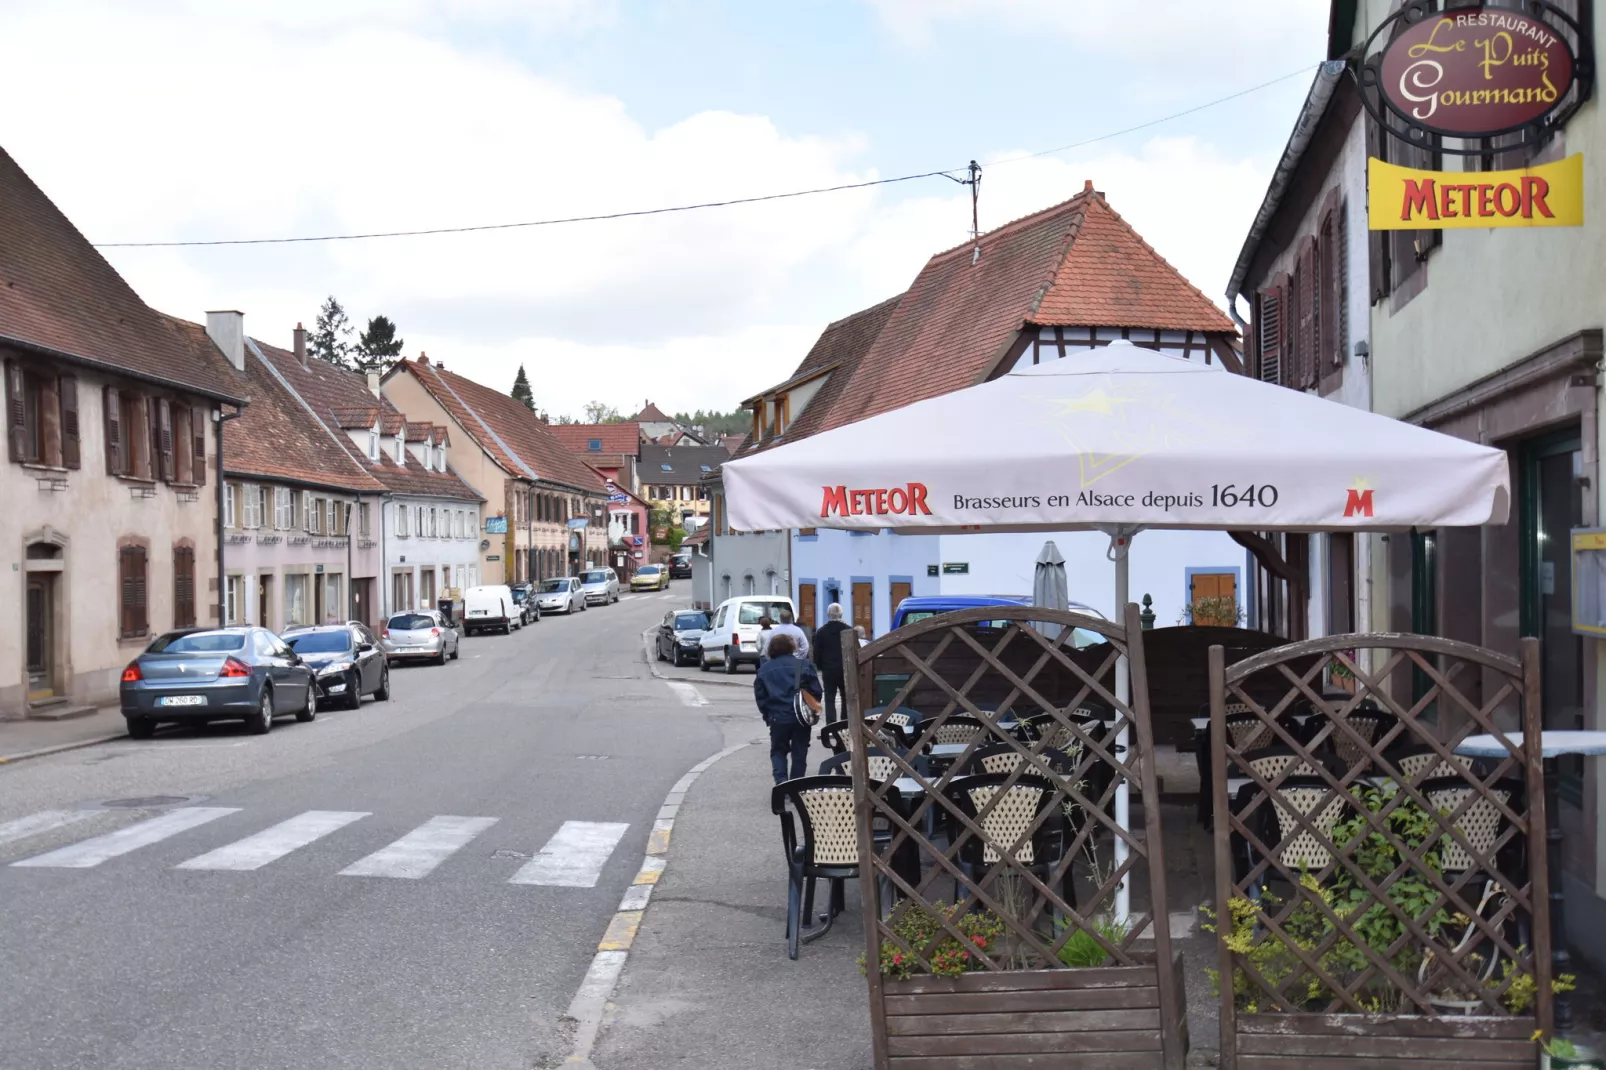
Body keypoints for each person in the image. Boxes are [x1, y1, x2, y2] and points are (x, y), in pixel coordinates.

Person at [753, 633, 821, 784]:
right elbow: (816, 691)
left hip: (777, 717)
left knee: (778, 751)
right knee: (800, 751)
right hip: (800, 717)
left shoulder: (764, 669)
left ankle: (781, 781)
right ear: (792, 647)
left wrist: (768, 715)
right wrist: (811, 710)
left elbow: (760, 697)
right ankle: (796, 785)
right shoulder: (803, 665)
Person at [812, 603, 851, 724]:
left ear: (828, 614)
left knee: (830, 698)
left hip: (829, 669)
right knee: (846, 697)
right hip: (845, 669)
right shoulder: (848, 630)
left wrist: (820, 666)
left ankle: (831, 724)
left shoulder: (822, 631)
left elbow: (817, 652)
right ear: (842, 614)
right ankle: (845, 723)